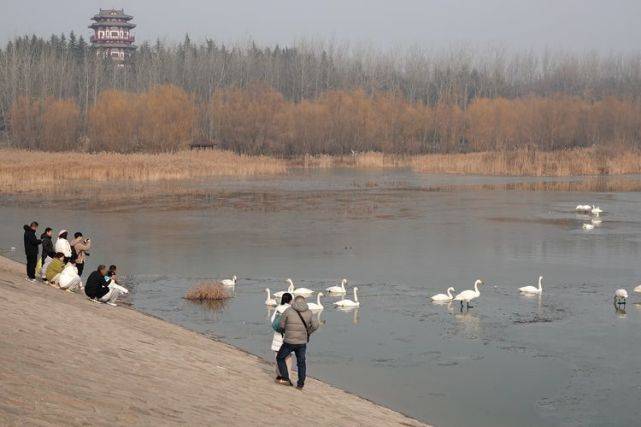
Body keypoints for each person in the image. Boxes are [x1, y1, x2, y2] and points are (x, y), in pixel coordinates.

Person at [276, 295, 320, 390]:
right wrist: (308, 332)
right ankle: (300, 384)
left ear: (295, 301)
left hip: (289, 341)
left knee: (280, 357)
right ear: (304, 302)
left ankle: (285, 378)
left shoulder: (288, 310)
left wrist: (285, 330)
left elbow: (281, 325)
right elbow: (316, 325)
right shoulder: (309, 312)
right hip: (302, 342)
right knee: (301, 363)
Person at [271, 293, 294, 381]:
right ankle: (288, 376)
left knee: (277, 356)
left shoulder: (278, 308)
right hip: (286, 336)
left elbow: (272, 320)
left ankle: (279, 374)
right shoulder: (291, 309)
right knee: (288, 357)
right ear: (290, 300)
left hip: (277, 335)